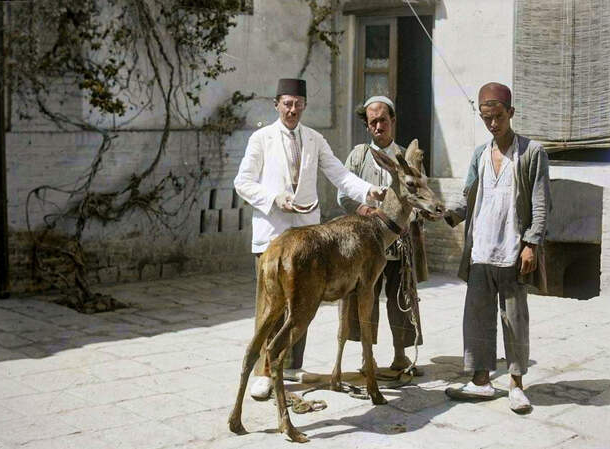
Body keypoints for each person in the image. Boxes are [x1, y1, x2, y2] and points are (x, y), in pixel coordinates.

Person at [234, 78, 385, 400]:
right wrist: (275, 198)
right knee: (270, 306)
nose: (292, 110)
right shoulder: (261, 139)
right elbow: (242, 182)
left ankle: (288, 366)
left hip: (307, 238)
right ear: (277, 105)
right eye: (287, 104)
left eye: (298, 105)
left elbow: (339, 174)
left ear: (304, 106)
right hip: (272, 235)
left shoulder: (314, 139)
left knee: (304, 302)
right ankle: (263, 371)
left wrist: (367, 191)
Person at [443, 82, 550, 413]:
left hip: (513, 252)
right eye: (486, 118)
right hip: (480, 252)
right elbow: (468, 196)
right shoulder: (479, 154)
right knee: (476, 318)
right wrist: (447, 213)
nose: (493, 124)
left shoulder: (532, 153)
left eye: (498, 117)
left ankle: (516, 384)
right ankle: (480, 382)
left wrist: (531, 243)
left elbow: (542, 203)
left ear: (511, 113)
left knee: (514, 318)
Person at [338, 95, 428, 377]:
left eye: (383, 120)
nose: (378, 126)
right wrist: (363, 207)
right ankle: (368, 358)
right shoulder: (358, 156)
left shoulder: (407, 157)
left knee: (401, 297)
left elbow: (419, 195)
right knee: (365, 297)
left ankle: (401, 356)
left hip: (399, 243)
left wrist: (408, 220)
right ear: (367, 125)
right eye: (372, 121)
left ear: (392, 121)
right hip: (365, 245)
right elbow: (343, 193)